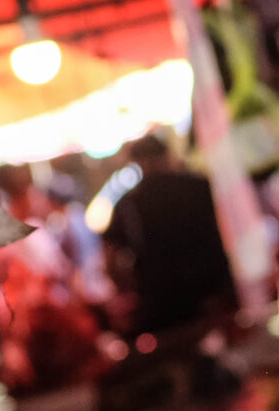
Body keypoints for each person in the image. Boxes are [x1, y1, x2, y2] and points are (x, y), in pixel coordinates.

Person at [101, 133, 238, 339]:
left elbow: (109, 258)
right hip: (212, 292)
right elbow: (229, 229)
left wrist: (128, 290)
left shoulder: (130, 203)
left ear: (137, 163)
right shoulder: (199, 186)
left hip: (162, 303)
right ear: (166, 155)